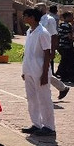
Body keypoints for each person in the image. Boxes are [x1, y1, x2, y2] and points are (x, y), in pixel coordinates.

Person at [20, 8, 56, 137]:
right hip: (29, 69)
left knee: (44, 98)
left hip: (40, 70)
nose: (23, 18)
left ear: (32, 18)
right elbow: (27, 53)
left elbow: (48, 54)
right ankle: (36, 123)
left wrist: (45, 73)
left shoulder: (42, 32)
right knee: (32, 98)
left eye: (25, 16)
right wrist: (24, 70)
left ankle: (49, 126)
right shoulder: (30, 31)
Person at [38, 6, 69, 100]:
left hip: (47, 48)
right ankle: (62, 88)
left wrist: (52, 50)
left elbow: (54, 35)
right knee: (42, 72)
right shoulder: (37, 19)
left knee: (45, 72)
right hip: (38, 48)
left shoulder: (49, 19)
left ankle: (58, 89)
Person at [56, 10, 74, 85]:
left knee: (65, 60)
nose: (73, 18)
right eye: (71, 16)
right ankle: (66, 75)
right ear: (68, 17)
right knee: (71, 59)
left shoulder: (61, 24)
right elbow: (70, 36)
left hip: (61, 45)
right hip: (66, 46)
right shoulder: (67, 25)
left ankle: (62, 74)